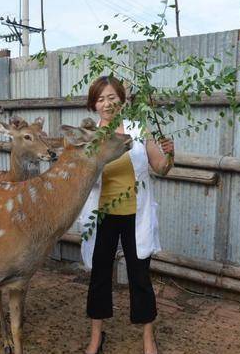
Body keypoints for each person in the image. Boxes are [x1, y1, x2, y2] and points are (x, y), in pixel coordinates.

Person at [77, 76, 175, 354]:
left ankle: (148, 337)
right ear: (93, 105)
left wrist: (170, 154)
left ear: (121, 99)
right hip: (102, 216)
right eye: (100, 99)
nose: (106, 103)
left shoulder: (138, 130)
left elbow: (161, 168)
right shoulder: (90, 137)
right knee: (99, 275)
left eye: (111, 97)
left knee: (139, 276)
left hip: (135, 214)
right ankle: (96, 336)